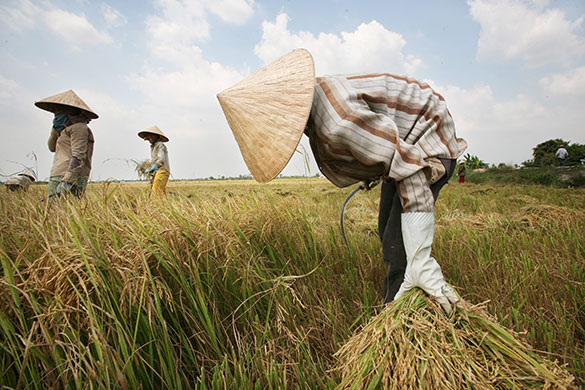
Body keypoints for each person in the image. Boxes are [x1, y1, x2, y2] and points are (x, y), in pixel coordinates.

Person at [217, 49, 467, 314]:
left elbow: (411, 168)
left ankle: (409, 319)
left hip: (428, 140)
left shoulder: (338, 123)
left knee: (401, 249)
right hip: (408, 146)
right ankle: (398, 305)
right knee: (388, 234)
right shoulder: (319, 96)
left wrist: (421, 258)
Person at [35, 90, 98, 197]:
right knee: (54, 211)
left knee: (67, 209)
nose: (57, 114)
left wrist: (68, 179)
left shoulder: (79, 128)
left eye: (61, 111)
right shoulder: (64, 130)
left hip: (70, 177)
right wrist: (55, 131)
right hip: (58, 173)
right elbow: (52, 147)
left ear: (71, 112)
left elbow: (78, 155)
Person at [138, 126, 171, 199]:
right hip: (158, 171)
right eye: (149, 136)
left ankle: (154, 207)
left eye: (152, 135)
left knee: (155, 193)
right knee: (161, 193)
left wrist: (154, 167)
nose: (150, 137)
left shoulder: (160, 145)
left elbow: (161, 159)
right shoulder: (153, 146)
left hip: (162, 171)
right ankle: (166, 207)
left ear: (157, 136)